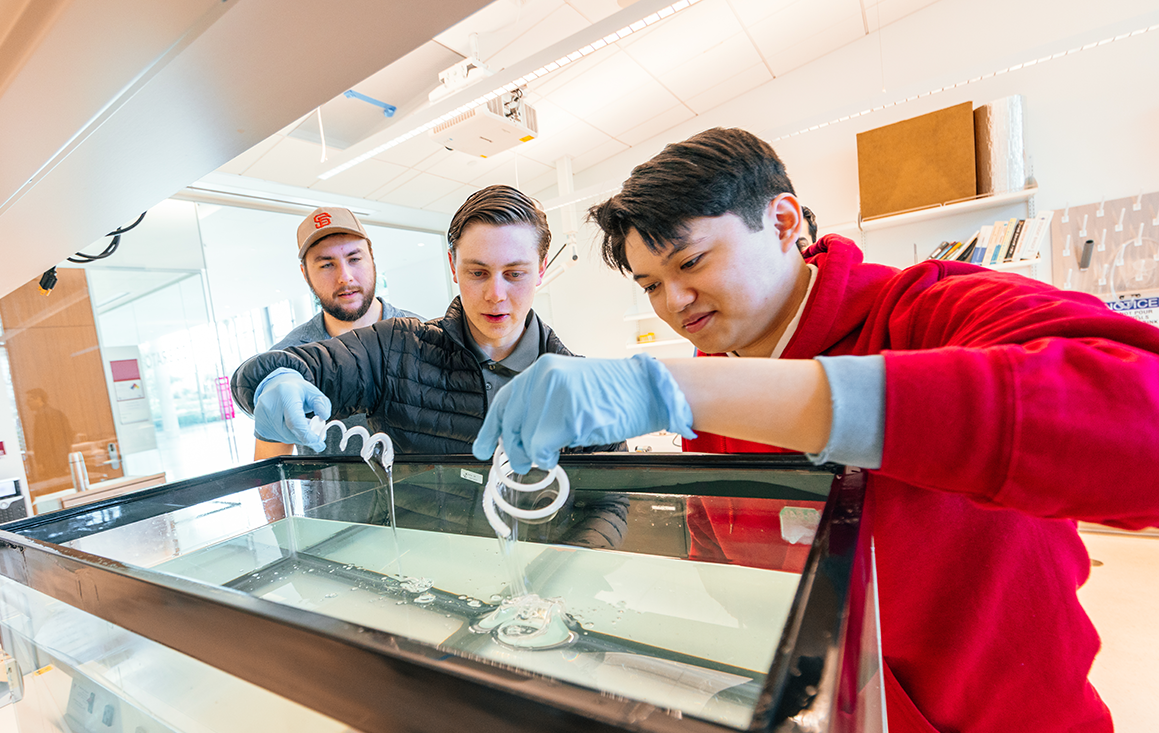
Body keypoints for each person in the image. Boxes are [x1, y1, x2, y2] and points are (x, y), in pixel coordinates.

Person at [472, 128, 1159, 732]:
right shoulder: (711, 405)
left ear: (781, 222)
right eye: (650, 285)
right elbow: (728, 567)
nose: (672, 303)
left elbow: (1138, 420)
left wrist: (684, 388)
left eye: (688, 264)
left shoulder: (924, 310)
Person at [233, 185, 626, 548]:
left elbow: (614, 501)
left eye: (515, 273)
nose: (495, 294)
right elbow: (281, 368)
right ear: (453, 268)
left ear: (541, 269)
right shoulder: (396, 348)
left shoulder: (586, 390)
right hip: (417, 585)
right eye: (477, 272)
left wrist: (567, 573)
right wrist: (273, 379)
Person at [253, 206, 422, 460]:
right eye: (326, 265)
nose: (345, 277)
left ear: (371, 256)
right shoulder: (289, 363)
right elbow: (269, 466)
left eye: (354, 259)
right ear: (305, 273)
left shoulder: (423, 336)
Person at [25, 388, 75, 483]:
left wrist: (40, 462)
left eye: (29, 400)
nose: (27, 403)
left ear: (39, 399)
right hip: (62, 461)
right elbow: (69, 435)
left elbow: (42, 442)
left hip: (51, 463)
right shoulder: (57, 413)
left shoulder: (43, 417)